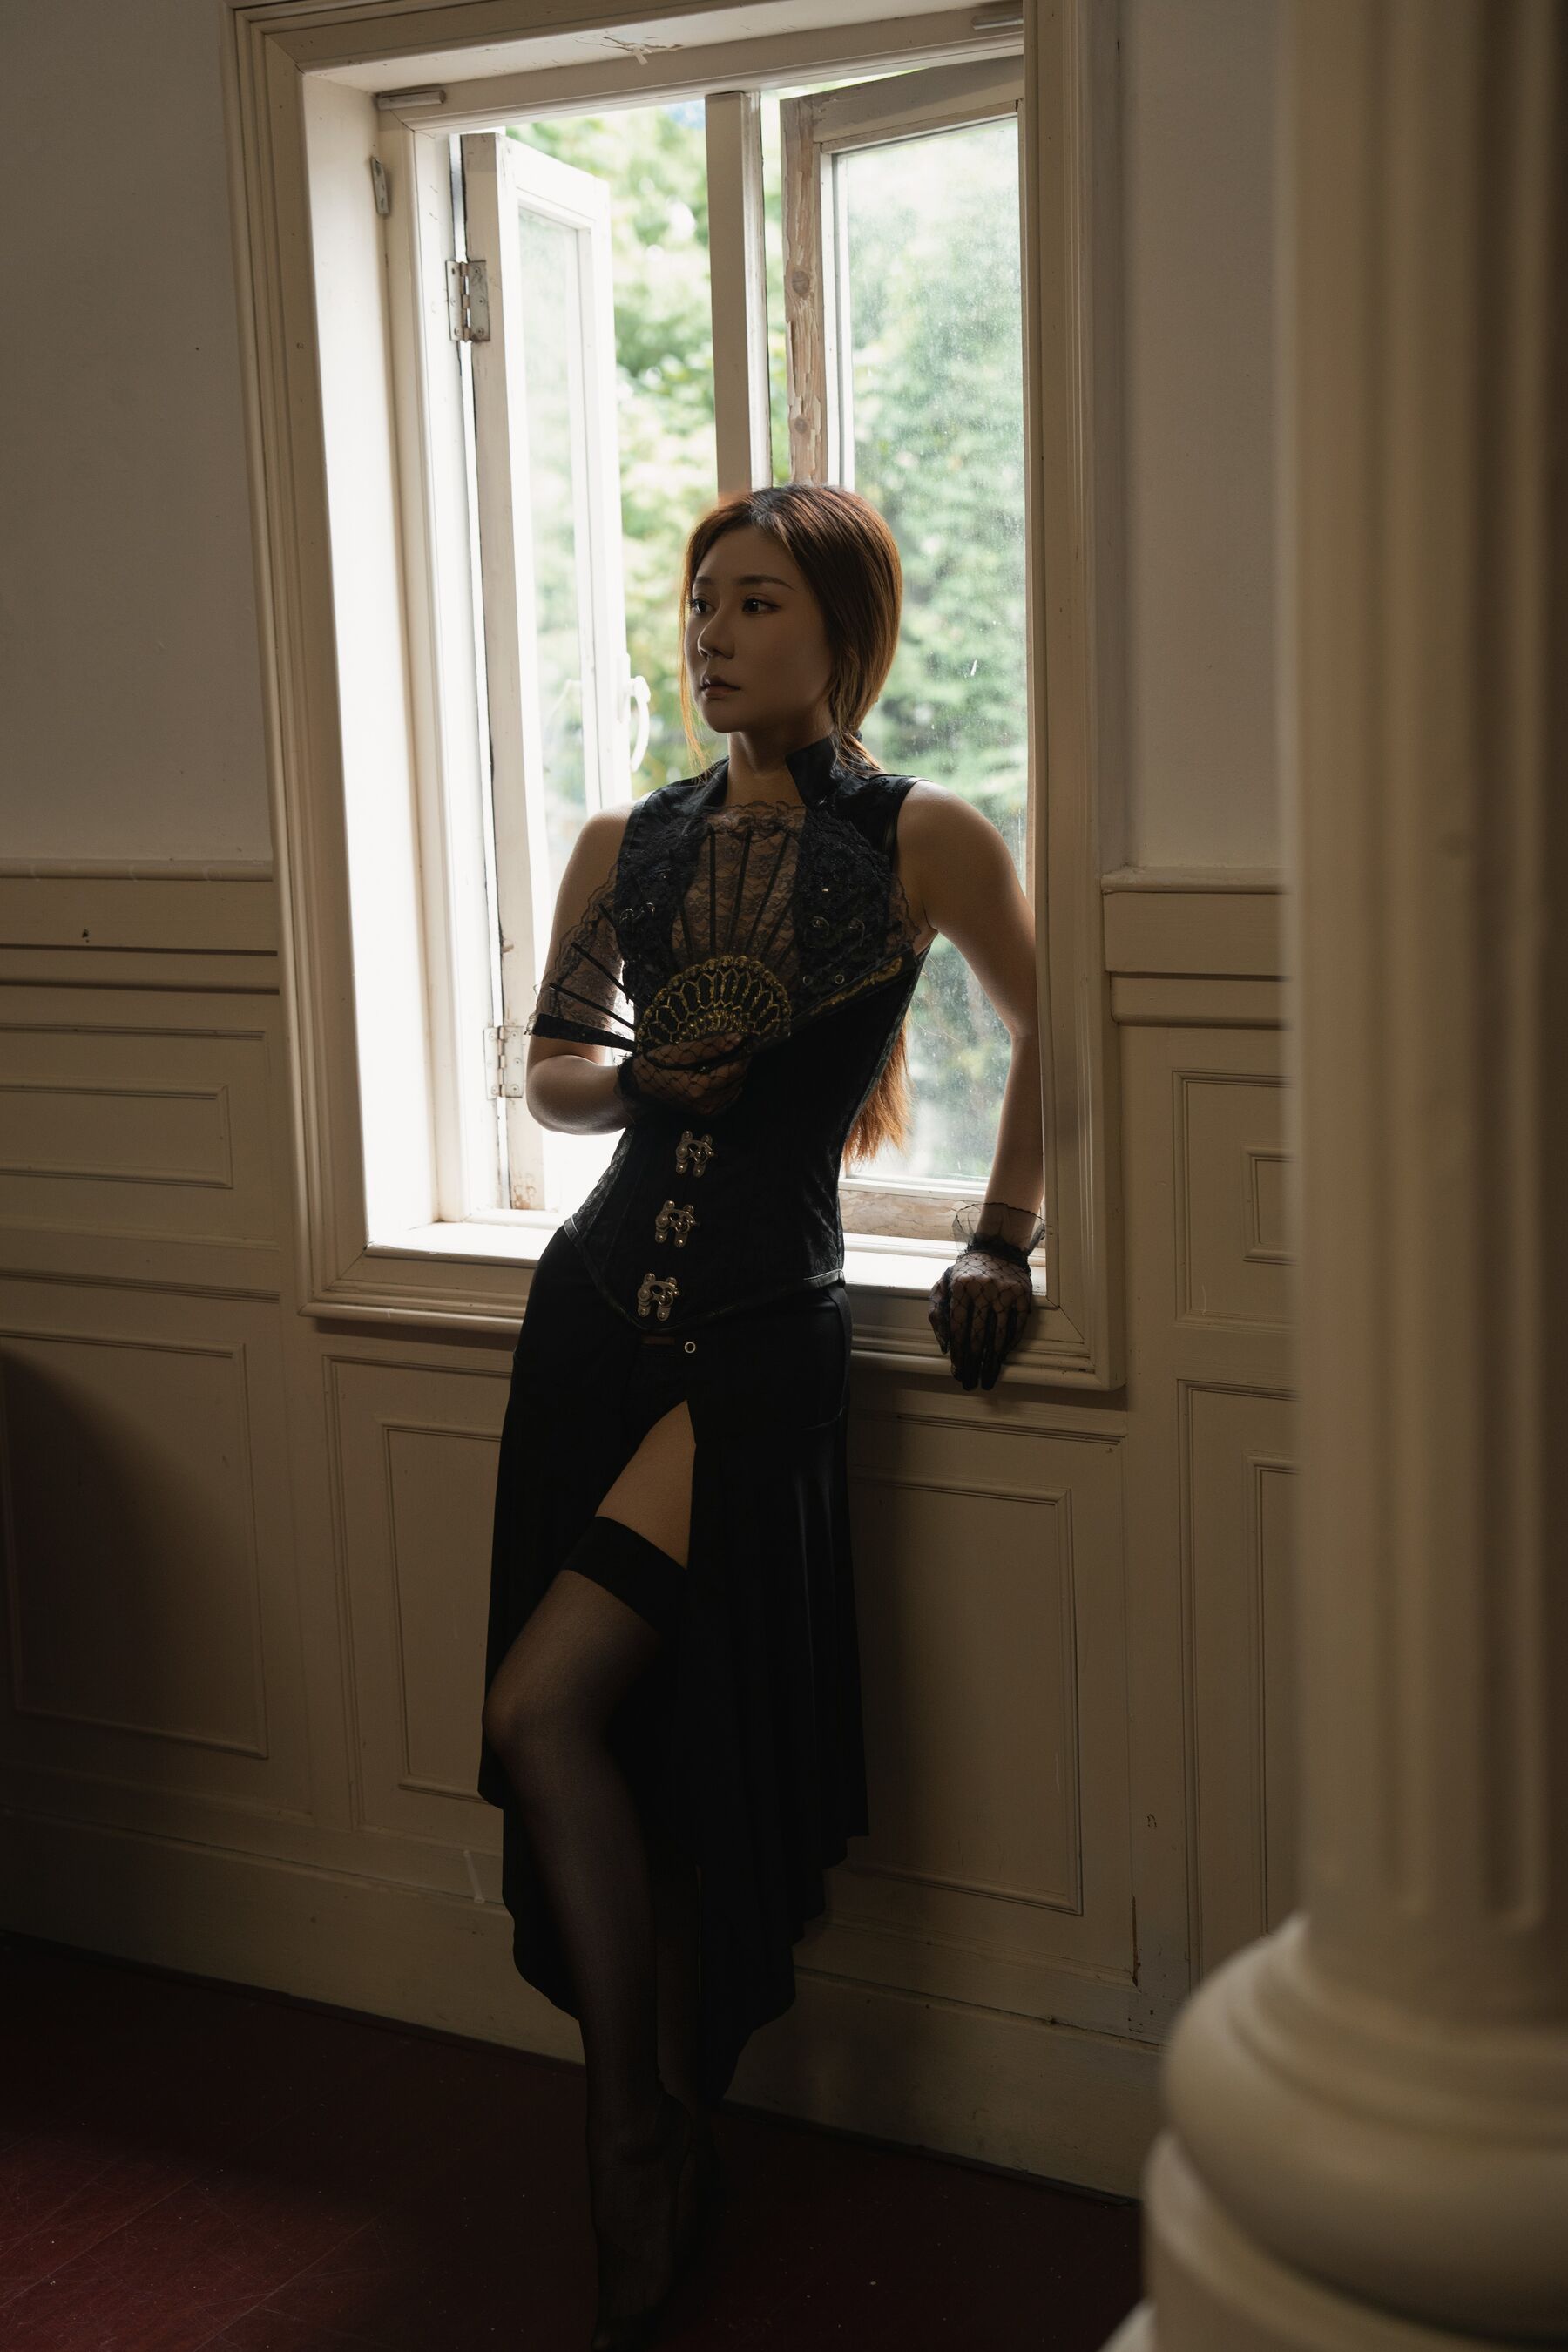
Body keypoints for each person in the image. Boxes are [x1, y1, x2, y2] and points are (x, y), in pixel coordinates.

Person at [476, 482, 1045, 2349]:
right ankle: (650, 2124)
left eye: (757, 602)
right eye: (702, 601)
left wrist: (1004, 1232)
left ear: (843, 632)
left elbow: (1063, 1024)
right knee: (605, 1740)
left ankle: (634, 2137)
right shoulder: (622, 838)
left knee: (549, 1707)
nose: (715, 634)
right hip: (587, 1325)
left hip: (755, 1343)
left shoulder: (926, 838)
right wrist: (643, 1082)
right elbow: (554, 1075)